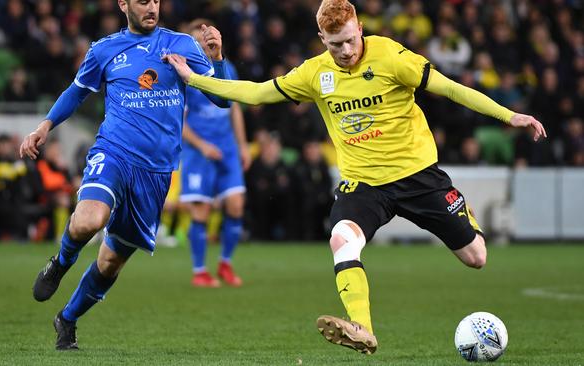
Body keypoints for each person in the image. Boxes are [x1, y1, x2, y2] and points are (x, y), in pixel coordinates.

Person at [163, 0, 547, 355]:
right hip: (363, 185)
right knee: (342, 238)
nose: (345, 52)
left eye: (349, 41)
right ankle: (362, 328)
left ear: (360, 28)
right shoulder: (315, 73)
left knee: (476, 257)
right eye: (334, 45)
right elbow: (258, 93)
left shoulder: (392, 57)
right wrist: (193, 79)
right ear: (321, 40)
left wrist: (508, 116)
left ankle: (460, 212)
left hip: (419, 177)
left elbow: (449, 87)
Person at [19, 0, 230, 350]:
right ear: (123, 4)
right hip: (114, 153)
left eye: (156, 1)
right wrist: (46, 125)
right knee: (89, 220)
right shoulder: (104, 50)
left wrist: (217, 59)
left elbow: (223, 100)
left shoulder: (181, 45)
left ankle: (67, 319)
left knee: (110, 261)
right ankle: (61, 262)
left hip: (156, 172)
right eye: (143, 1)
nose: (152, 7)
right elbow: (77, 91)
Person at [179, 19, 251, 288]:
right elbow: (179, 122)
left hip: (228, 148)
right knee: (200, 211)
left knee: (236, 205)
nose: (203, 43)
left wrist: (243, 144)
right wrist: (202, 145)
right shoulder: (183, 74)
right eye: (198, 40)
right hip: (200, 152)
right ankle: (199, 271)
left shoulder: (226, 67)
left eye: (206, 38)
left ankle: (225, 264)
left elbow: (234, 109)